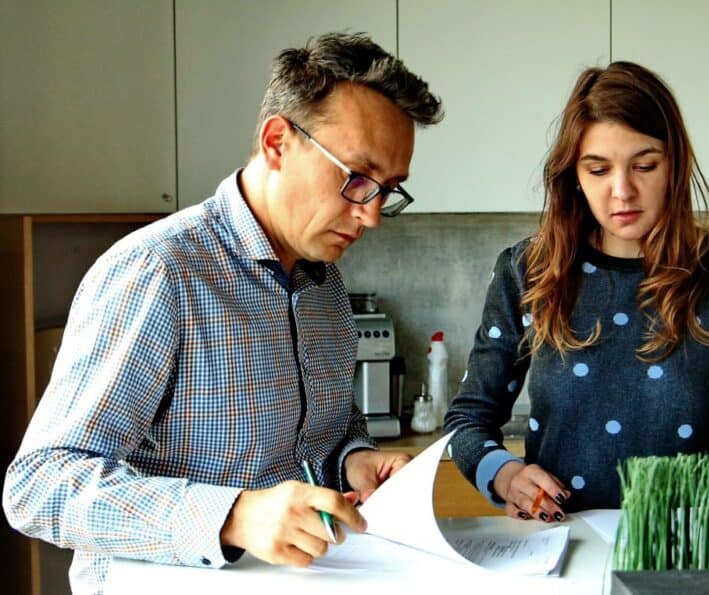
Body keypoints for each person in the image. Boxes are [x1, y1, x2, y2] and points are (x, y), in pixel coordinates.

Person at [3, 32, 442, 594]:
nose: (372, 215)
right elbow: (40, 486)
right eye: (357, 177)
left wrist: (354, 460)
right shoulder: (160, 271)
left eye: (389, 190)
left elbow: (324, 432)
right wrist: (232, 517)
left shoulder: (325, 284)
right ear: (278, 142)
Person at [444, 61, 709, 522]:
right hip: (558, 539)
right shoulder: (525, 270)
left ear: (675, 164)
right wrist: (505, 475)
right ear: (574, 175)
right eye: (598, 169)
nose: (622, 191)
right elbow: (467, 423)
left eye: (645, 165)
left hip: (683, 545)